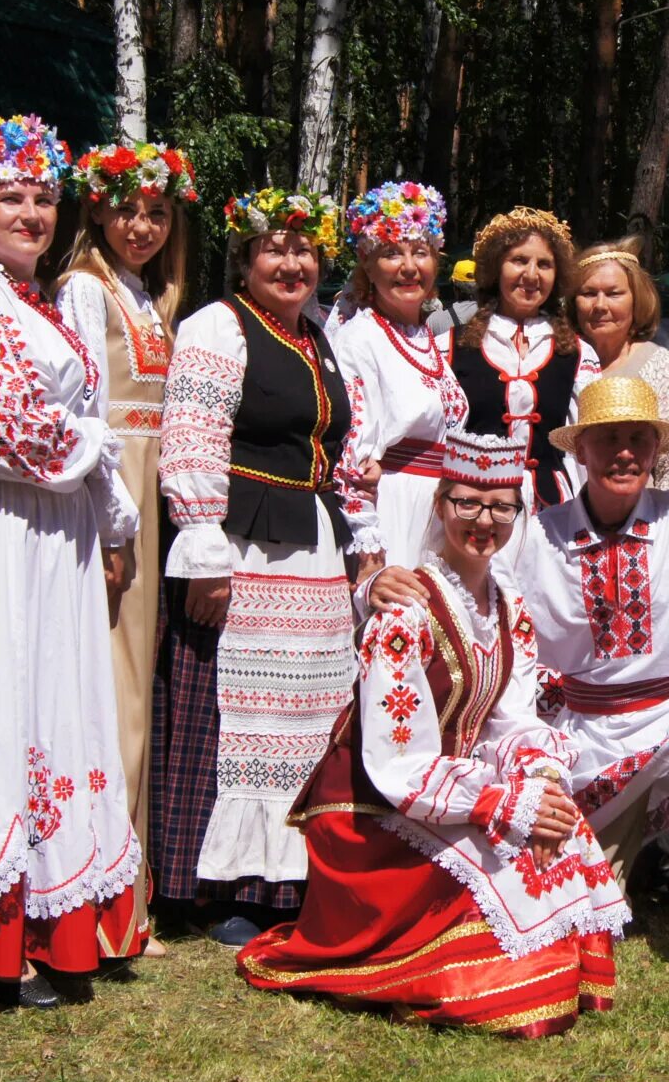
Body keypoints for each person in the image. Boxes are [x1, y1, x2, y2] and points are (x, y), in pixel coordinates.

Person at [373, 376, 669, 1026]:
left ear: (654, 448)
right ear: (581, 450)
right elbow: (470, 591)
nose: (624, 452)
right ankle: (620, 875)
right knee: (561, 929)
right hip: (587, 736)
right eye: (608, 438)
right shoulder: (541, 535)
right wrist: (385, 584)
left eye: (637, 439)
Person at [240, 430, 627, 1035]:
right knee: (509, 845)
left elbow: (515, 717)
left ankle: (530, 958)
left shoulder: (508, 606)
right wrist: (502, 803)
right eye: (467, 503)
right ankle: (477, 972)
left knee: (555, 822)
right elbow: (399, 762)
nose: (483, 521)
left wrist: (541, 783)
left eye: (500, 507)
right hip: (375, 810)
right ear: (440, 505)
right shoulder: (404, 613)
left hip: (446, 789)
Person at [0, 114, 144, 1005]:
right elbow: (11, 431)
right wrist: (97, 450)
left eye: (44, 198)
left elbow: (69, 430)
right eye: (11, 197)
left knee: (60, 702)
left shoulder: (44, 299)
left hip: (55, 531)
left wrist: (112, 525)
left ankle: (66, 912)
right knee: (10, 698)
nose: (31, 213)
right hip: (7, 529)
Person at [151, 189, 355, 947]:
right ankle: (222, 885)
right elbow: (193, 436)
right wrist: (204, 551)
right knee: (245, 719)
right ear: (245, 259)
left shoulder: (318, 336)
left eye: (305, 251)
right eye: (275, 248)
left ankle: (289, 878)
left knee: (307, 720)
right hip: (246, 552)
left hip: (311, 552)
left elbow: (336, 450)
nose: (292, 262)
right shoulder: (218, 326)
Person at [56, 137, 197, 950]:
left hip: (150, 490)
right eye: (126, 209)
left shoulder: (145, 295)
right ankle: (101, 892)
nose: (140, 225)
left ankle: (125, 880)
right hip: (116, 494)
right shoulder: (84, 291)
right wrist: (114, 523)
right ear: (97, 210)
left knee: (137, 681)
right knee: (115, 684)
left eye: (155, 213)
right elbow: (89, 415)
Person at [330, 179, 468, 574]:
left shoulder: (426, 337)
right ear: (368, 266)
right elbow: (351, 455)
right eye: (392, 253)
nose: (409, 267)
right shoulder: (359, 340)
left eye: (420, 252)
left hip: (439, 512)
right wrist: (369, 549)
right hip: (394, 512)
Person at [451, 206, 581, 507]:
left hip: (551, 513)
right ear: (496, 268)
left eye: (545, 264)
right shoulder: (453, 345)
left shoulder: (576, 352)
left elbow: (581, 450)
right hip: (475, 510)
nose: (531, 274)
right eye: (519, 260)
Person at [572, 236, 669, 489]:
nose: (600, 305)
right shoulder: (560, 362)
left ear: (637, 298)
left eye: (614, 294)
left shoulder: (665, 367)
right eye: (589, 293)